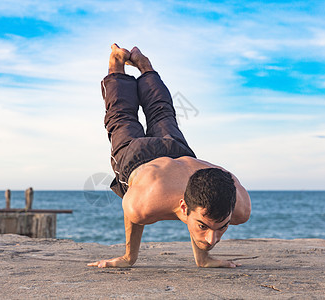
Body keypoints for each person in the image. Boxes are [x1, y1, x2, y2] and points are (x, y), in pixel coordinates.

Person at [88, 44, 251, 268]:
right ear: (183, 208)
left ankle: (145, 65)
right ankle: (117, 59)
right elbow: (133, 213)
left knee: (162, 111)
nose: (213, 239)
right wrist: (129, 258)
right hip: (137, 156)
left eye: (222, 226)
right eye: (203, 227)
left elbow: (204, 209)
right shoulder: (143, 204)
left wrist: (203, 258)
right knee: (121, 115)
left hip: (177, 152)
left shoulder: (239, 206)